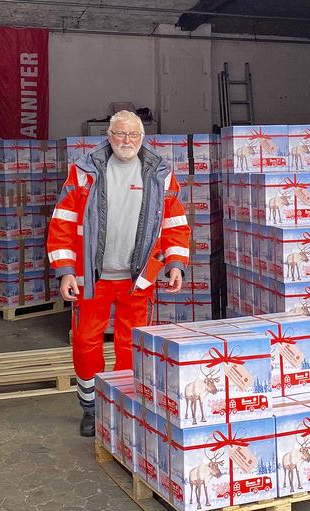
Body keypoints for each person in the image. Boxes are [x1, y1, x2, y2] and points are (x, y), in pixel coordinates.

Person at [47, 111, 191, 436]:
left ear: (143, 138)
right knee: (85, 341)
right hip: (92, 277)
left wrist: (176, 263)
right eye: (120, 134)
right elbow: (63, 223)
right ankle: (91, 408)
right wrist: (65, 271)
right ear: (109, 136)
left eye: (133, 135)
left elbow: (175, 224)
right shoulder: (84, 172)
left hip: (137, 279)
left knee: (131, 343)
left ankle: (123, 404)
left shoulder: (160, 174)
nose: (126, 141)